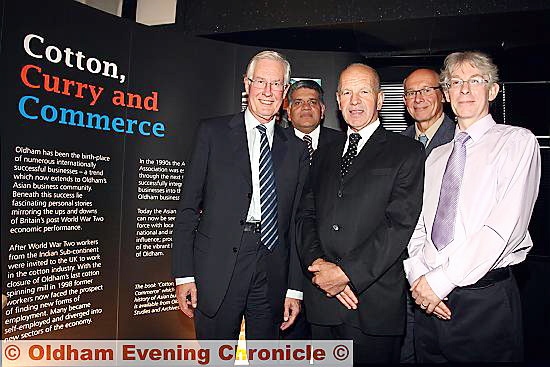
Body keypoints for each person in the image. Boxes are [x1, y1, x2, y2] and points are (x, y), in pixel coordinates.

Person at [404, 51, 541, 363]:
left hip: (484, 302)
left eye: (475, 81)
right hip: (428, 301)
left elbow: (503, 227)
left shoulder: (517, 143)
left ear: (492, 91)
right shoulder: (437, 157)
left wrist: (441, 282)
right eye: (456, 82)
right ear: (447, 94)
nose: (464, 89)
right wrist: (418, 279)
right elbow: (419, 228)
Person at [172, 50, 309, 340]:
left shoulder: (296, 149)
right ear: (246, 84)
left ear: (285, 91)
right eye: (261, 82)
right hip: (217, 266)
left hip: (272, 269)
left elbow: (297, 223)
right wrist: (184, 274)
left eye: (276, 84)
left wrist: (294, 288)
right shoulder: (212, 133)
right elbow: (187, 208)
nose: (268, 92)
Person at [297, 63, 424, 364]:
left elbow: (399, 224)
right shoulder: (322, 152)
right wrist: (318, 267)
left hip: (373, 305)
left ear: (380, 100)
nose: (355, 101)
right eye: (348, 93)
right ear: (338, 101)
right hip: (322, 302)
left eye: (364, 92)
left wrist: (344, 274)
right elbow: (305, 215)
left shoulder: (406, 151)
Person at [399, 68, 455, 363]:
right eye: (410, 92)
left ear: (443, 95)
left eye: (426, 90)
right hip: (401, 272)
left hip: (447, 276)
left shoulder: (461, 141)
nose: (418, 98)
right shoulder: (396, 144)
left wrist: (443, 278)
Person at [286, 80, 343, 159]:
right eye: (298, 103)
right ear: (289, 112)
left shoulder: (341, 142)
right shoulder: (275, 142)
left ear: (322, 110)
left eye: (312, 102)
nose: (306, 107)